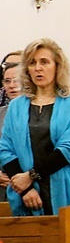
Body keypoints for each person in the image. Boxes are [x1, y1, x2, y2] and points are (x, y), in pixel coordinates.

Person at [0, 38, 70, 228]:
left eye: (44, 62)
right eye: (32, 63)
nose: (38, 68)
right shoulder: (16, 106)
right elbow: (5, 148)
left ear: (57, 66)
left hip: (62, 190)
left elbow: (69, 149)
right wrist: (25, 189)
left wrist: (30, 176)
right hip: (25, 195)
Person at [0, 63, 21, 201]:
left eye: (17, 80)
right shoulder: (1, 113)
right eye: (7, 81)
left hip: (32, 181)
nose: (12, 85)